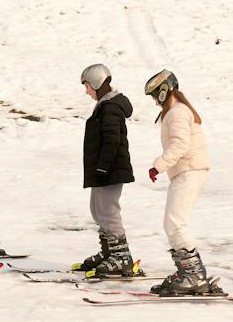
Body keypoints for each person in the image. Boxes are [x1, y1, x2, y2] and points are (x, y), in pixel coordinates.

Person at [143, 69, 222, 296]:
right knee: (173, 224)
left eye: (154, 96)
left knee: (175, 224)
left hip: (189, 170)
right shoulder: (179, 111)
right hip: (188, 170)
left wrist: (158, 165)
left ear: (163, 91)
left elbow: (179, 144)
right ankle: (187, 274)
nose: (154, 102)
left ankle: (194, 277)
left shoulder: (177, 112)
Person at [74, 63, 140, 277]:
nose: (86, 91)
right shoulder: (105, 104)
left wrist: (103, 166)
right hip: (103, 169)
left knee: (108, 212)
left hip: (110, 169)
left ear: (96, 82)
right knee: (97, 210)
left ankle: (122, 257)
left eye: (87, 86)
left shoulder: (110, 107)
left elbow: (112, 140)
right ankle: (109, 252)